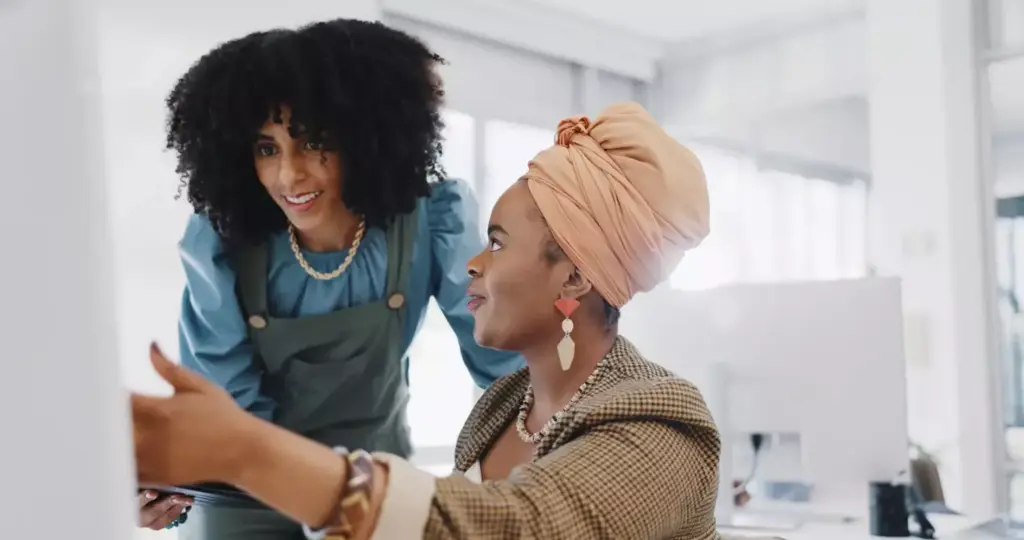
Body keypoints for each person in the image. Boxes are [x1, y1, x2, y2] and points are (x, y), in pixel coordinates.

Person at [132, 102, 721, 539]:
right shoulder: (500, 411)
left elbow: (511, 527)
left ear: (572, 278)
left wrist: (243, 451)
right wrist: (192, 480)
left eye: (496, 243)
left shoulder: (661, 422)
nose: (471, 263)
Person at [138, 18, 523, 536]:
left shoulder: (433, 219)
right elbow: (226, 417)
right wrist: (161, 489)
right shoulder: (221, 243)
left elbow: (506, 367)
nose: (290, 174)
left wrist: (528, 477)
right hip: (245, 497)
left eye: (314, 142)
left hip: (371, 492)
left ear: (364, 138)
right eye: (267, 148)